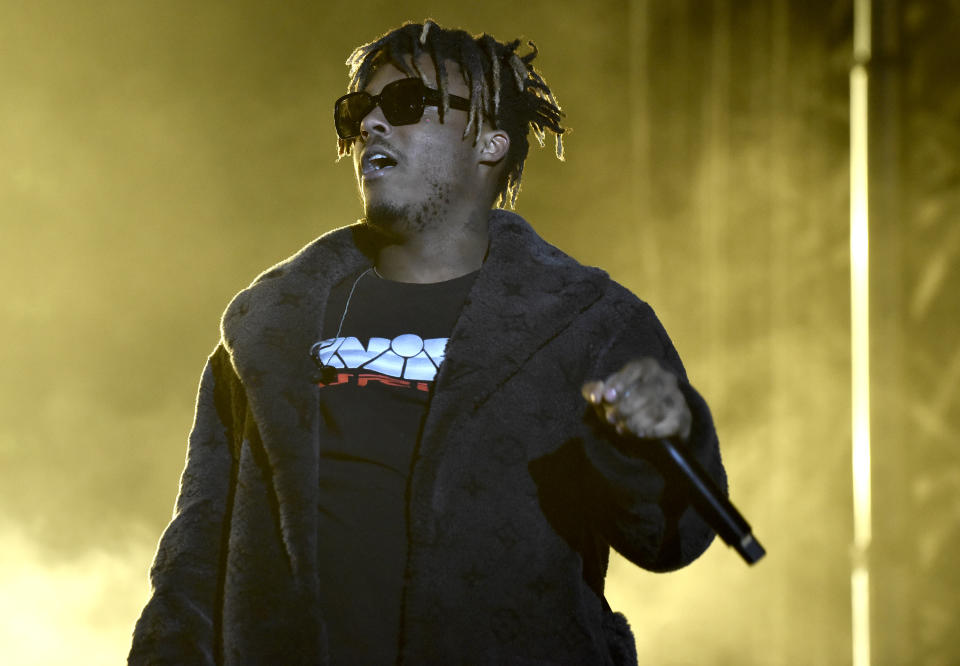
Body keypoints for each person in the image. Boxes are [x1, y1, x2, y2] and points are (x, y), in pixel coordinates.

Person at [129, 19, 727, 666]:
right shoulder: (264, 333)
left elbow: (674, 535)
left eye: (406, 104)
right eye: (359, 111)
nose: (372, 126)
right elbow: (195, 562)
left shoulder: (585, 325)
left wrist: (659, 438)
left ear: (492, 142)